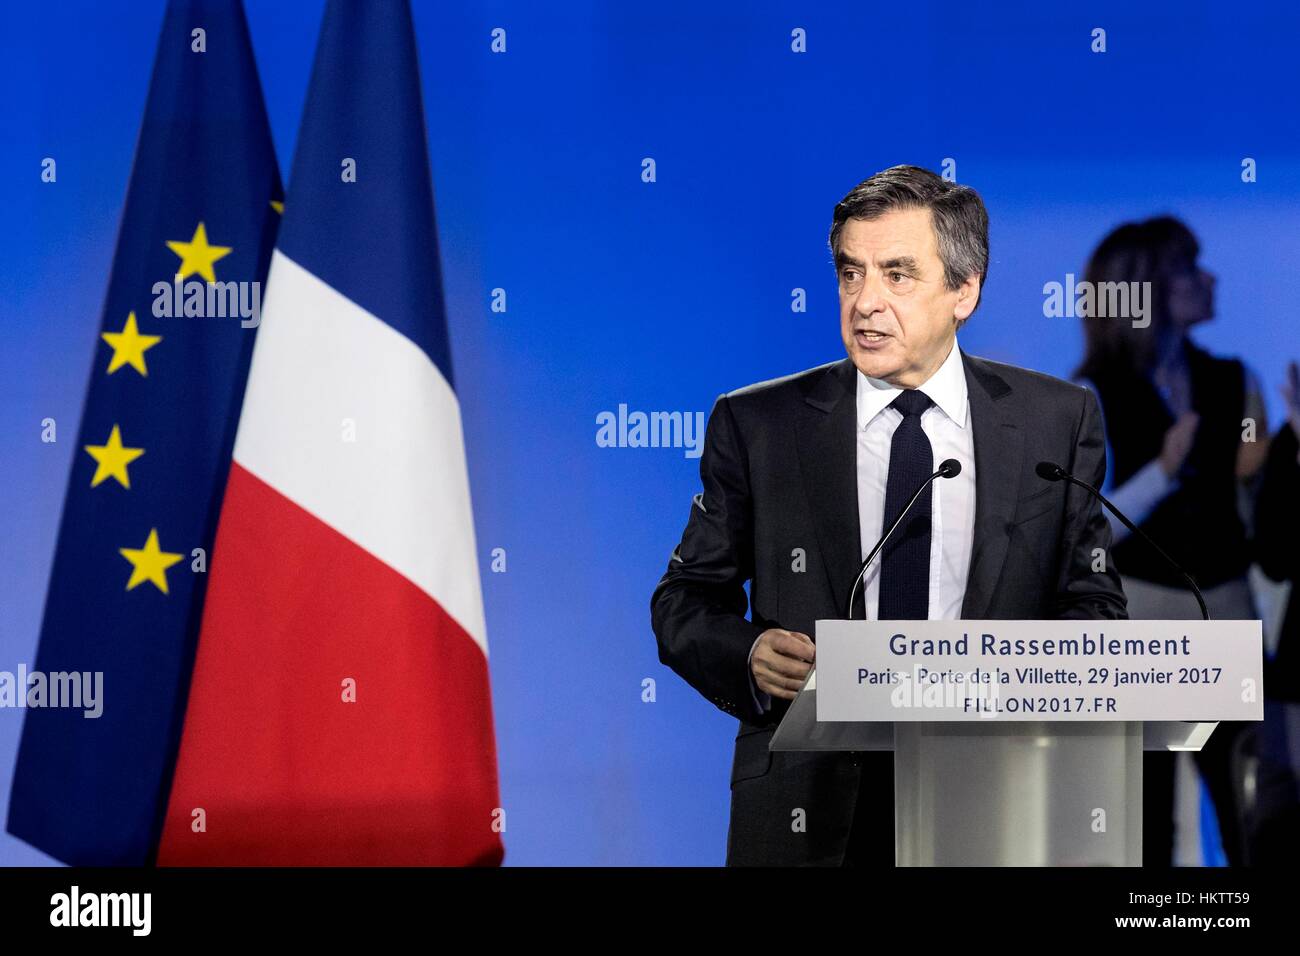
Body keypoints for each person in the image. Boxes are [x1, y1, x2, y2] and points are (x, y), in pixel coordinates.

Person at [650, 165, 1127, 866]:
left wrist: (1002, 678)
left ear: (965, 290)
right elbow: (683, 601)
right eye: (851, 274)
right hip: (808, 809)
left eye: (897, 275)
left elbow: (1093, 608)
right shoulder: (759, 425)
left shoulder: (1056, 422)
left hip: (994, 801)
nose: (865, 302)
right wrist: (748, 654)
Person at [1073, 218, 1268, 867]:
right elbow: (1085, 526)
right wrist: (1161, 471)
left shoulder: (1236, 381)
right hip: (1141, 622)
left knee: (1253, 805)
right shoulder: (1089, 393)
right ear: (1147, 287)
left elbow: (1256, 516)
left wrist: (1270, 471)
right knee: (1143, 819)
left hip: (1230, 614)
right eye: (1190, 268)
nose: (1208, 279)